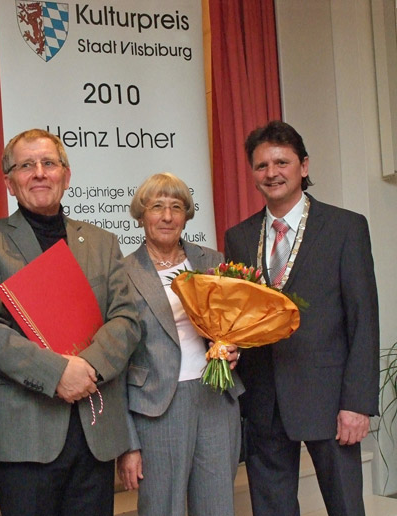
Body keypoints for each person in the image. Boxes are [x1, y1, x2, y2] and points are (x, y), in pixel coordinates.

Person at [0, 128, 140, 516]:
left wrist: (87, 367)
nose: (39, 172)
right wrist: (57, 372)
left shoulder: (102, 242)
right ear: (9, 182)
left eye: (49, 163)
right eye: (26, 165)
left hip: (94, 430)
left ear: (66, 175)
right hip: (26, 430)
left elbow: (126, 318)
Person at [224, 120, 379, 516]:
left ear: (304, 166)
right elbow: (239, 314)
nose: (271, 173)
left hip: (330, 401)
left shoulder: (345, 227)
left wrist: (357, 403)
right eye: (261, 166)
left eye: (282, 162)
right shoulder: (239, 236)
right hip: (263, 402)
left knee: (345, 506)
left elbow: (363, 319)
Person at [117, 173, 243, 516]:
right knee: (162, 508)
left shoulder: (213, 261)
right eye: (157, 207)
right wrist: (128, 443)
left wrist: (234, 348)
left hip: (215, 397)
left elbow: (233, 324)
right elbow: (115, 363)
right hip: (156, 407)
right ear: (141, 215)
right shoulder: (122, 272)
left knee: (218, 507)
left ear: (187, 215)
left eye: (176, 207)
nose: (167, 216)